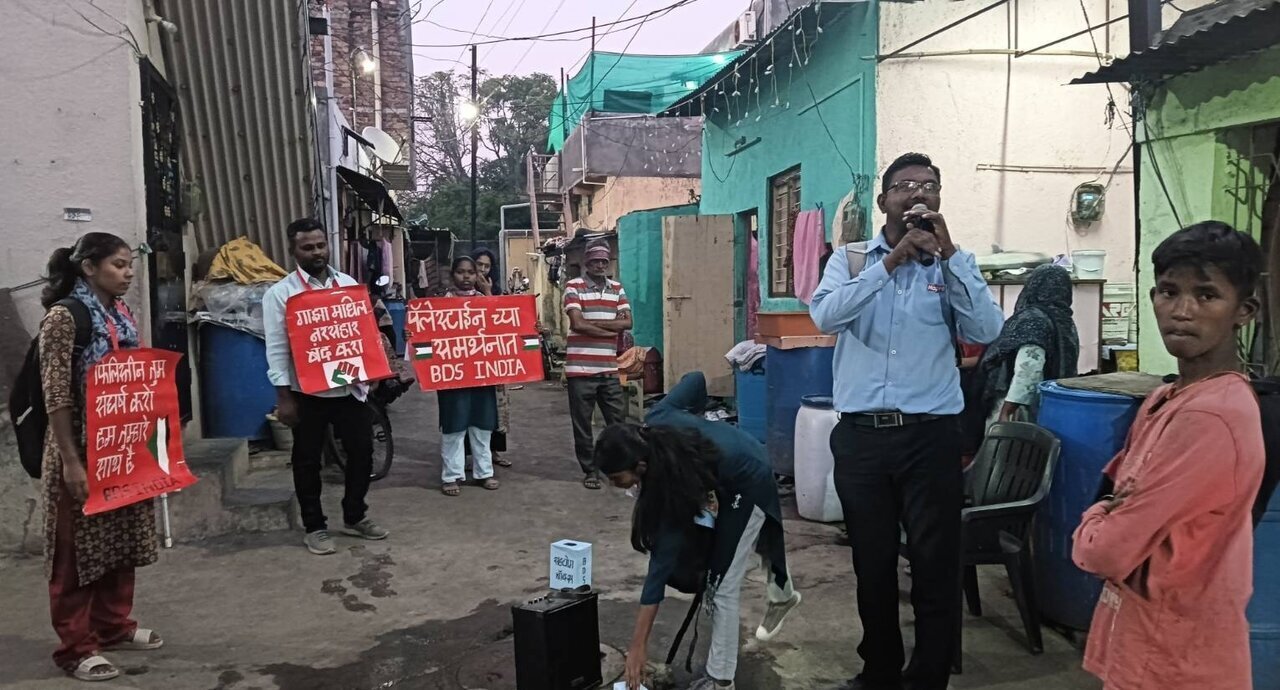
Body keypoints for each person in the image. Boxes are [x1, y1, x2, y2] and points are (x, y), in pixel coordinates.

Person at [809, 152, 1005, 690]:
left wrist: (951, 256)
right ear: (883, 201)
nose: (918, 193)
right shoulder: (850, 259)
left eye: (929, 185)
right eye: (905, 185)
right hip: (862, 439)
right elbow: (825, 316)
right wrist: (891, 262)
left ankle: (928, 677)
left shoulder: (954, 264)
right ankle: (879, 671)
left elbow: (987, 330)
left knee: (934, 564)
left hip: (930, 437)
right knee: (872, 564)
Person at [1072, 221, 1265, 690]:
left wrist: (1097, 518)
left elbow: (1104, 552)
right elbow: (1119, 488)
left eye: (1206, 295)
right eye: (1168, 292)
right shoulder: (1167, 398)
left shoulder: (1211, 416)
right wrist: (1113, 510)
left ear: (1244, 311)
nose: (1182, 311)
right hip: (1144, 637)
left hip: (1178, 659)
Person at [598, 372, 802, 690]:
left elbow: (659, 568)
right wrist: (699, 430)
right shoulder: (655, 421)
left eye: (617, 479)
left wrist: (638, 647)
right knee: (720, 567)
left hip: (749, 480)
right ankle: (784, 595)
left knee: (721, 584)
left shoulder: (671, 484)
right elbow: (694, 381)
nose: (616, 486)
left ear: (640, 466)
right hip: (732, 465)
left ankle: (721, 681)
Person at [37, 233, 163, 682]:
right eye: (118, 265)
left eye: (130, 265)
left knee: (119, 540)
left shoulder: (121, 312)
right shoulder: (64, 318)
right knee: (74, 552)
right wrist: (72, 462)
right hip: (79, 447)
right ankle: (76, 647)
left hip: (121, 446)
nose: (128, 273)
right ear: (89, 267)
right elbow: (56, 395)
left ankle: (112, 626)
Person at [263, 218, 389, 555]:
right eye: (308, 247)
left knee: (362, 452)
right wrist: (283, 397)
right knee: (307, 460)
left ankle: (354, 515)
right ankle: (315, 527)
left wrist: (373, 369)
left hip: (349, 388)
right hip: (307, 393)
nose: (317, 252)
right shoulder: (280, 294)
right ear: (293, 250)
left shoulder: (348, 285)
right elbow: (277, 348)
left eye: (321, 245)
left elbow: (363, 333)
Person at [964, 264, 1079, 452]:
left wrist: (1007, 411)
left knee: (1006, 458)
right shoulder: (1064, 321)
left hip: (1018, 407)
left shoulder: (1033, 319)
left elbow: (1029, 369)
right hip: (1052, 407)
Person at [564, 242, 631, 489]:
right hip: (580, 369)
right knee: (582, 425)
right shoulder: (574, 286)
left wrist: (591, 325)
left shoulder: (617, 288)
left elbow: (628, 323)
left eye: (604, 261)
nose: (600, 265)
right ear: (587, 263)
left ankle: (616, 465)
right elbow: (577, 323)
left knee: (617, 423)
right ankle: (590, 470)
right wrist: (610, 330)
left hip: (609, 368)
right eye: (595, 261)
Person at [437, 256, 500, 496]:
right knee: (454, 426)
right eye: (461, 272)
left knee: (482, 425)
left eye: (470, 272)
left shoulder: (486, 302)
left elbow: (502, 328)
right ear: (452, 274)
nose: (466, 277)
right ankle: (451, 475)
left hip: (482, 373)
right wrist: (413, 334)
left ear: (477, 275)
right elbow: (427, 335)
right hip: (452, 375)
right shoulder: (440, 305)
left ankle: (484, 472)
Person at [471, 247, 512, 467]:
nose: (483, 270)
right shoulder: (458, 293)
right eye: (479, 264)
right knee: (472, 406)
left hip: (493, 359)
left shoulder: (496, 291)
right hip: (468, 359)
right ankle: (470, 455)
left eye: (487, 266)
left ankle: (494, 452)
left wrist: (487, 293)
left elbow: (501, 320)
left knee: (495, 406)